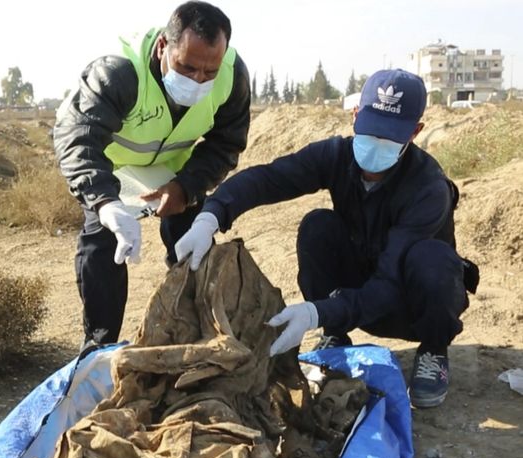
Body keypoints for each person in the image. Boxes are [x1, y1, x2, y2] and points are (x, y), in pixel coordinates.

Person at [175, 69, 476, 409]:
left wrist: (315, 312)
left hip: (407, 304)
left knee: (432, 260)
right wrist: (210, 216)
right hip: (358, 288)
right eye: (370, 130)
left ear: (415, 132)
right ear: (355, 115)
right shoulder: (336, 156)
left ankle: (434, 350)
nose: (375, 144)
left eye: (389, 138)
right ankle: (335, 331)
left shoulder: (427, 188)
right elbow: (270, 178)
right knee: (318, 225)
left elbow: (389, 285)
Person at [54, 1, 251, 349]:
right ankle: (99, 344)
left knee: (193, 242)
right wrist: (105, 202)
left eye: (209, 72)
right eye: (187, 67)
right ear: (164, 46)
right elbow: (78, 139)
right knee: (104, 241)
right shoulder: (119, 72)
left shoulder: (232, 76)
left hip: (174, 166)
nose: (199, 81)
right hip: (113, 168)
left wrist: (186, 187)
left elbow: (225, 144)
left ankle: (197, 332)